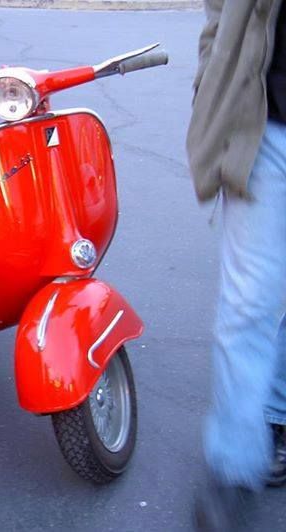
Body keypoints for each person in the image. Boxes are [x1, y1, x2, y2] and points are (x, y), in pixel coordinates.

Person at [187, 0, 286, 529]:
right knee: (250, 301)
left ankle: (274, 413)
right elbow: (221, 14)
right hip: (263, 127)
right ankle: (233, 465)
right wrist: (209, 86)